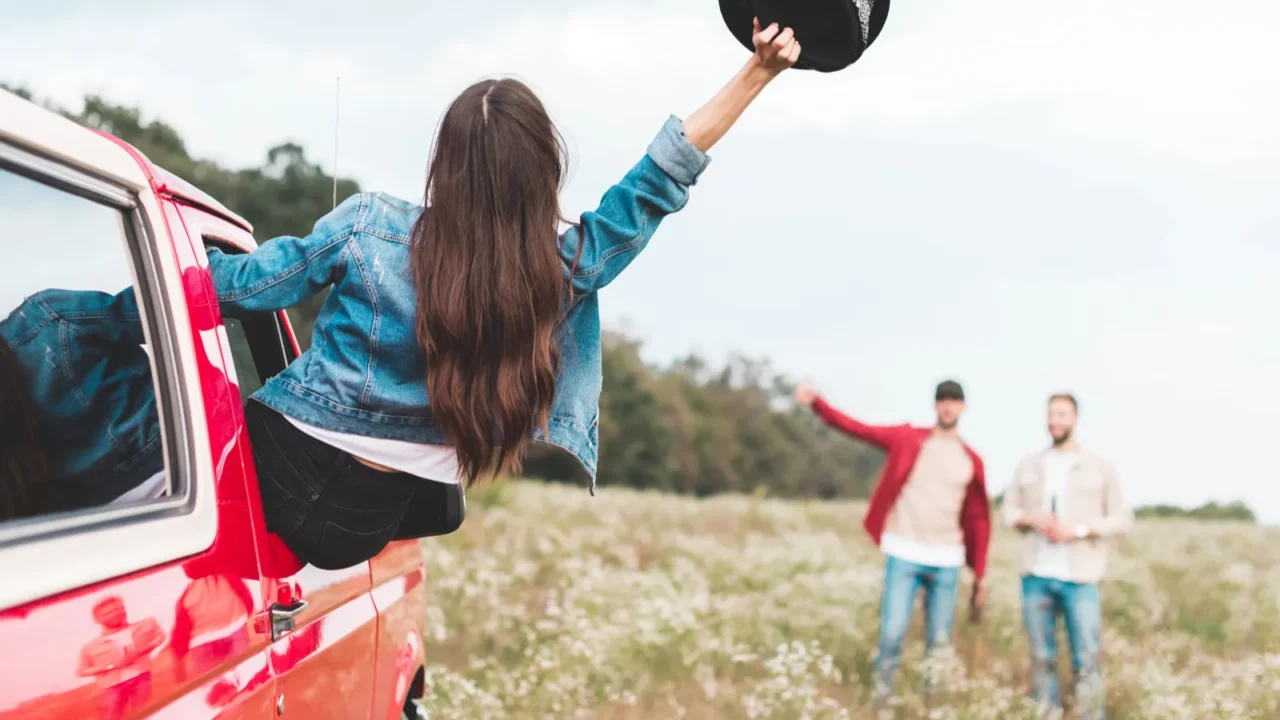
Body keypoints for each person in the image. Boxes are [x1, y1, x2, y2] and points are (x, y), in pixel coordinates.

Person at [205, 21, 803, 570]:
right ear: (544, 170)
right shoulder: (556, 267)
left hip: (291, 461)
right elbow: (660, 176)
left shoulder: (370, 225)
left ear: (446, 162)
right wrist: (759, 71)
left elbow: (245, 287)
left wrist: (177, 253)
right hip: (377, 518)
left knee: (147, 393)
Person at [795, 379, 990, 708]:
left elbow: (979, 521)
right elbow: (857, 429)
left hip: (947, 560)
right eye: (942, 399)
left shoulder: (971, 459)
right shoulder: (908, 439)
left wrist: (980, 573)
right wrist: (818, 405)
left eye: (954, 400)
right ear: (935, 404)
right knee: (891, 635)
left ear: (963, 407)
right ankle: (881, 705)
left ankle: (934, 708)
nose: (947, 405)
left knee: (939, 644)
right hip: (905, 552)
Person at [1002, 393, 1132, 719]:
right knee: (1041, 657)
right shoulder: (1029, 464)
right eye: (1051, 415)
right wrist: (1031, 519)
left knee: (1086, 658)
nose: (1055, 421)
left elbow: (1122, 518)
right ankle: (1046, 713)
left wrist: (1078, 529)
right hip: (1036, 576)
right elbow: (1007, 512)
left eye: (1062, 414)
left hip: (1080, 578)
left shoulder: (1099, 466)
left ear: (1075, 418)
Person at [0, 288, 164, 516]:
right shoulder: (46, 322)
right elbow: (187, 291)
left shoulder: (48, 325)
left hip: (96, 541)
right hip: (183, 478)